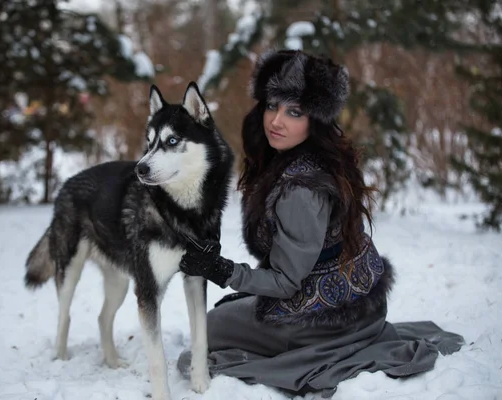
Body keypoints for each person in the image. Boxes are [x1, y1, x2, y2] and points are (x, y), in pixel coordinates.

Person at [176, 49, 464, 398]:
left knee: (208, 328)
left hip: (325, 324)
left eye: (293, 112)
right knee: (233, 307)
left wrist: (222, 271)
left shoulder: (299, 188)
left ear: (315, 119)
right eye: (272, 106)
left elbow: (284, 283)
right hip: (360, 305)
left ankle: (303, 343)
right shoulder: (317, 159)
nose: (275, 121)